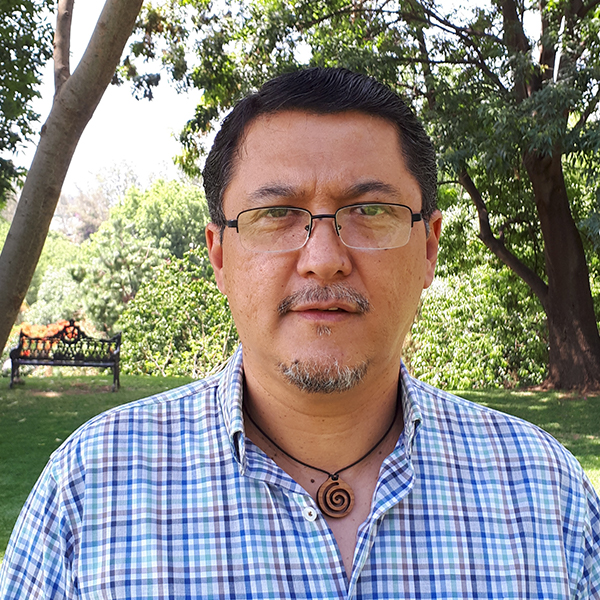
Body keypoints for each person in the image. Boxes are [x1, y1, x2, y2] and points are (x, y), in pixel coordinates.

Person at [1, 67, 599, 599]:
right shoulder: (90, 490)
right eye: (276, 214)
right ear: (219, 256)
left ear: (428, 248)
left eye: (370, 211)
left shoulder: (547, 495)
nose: (324, 260)